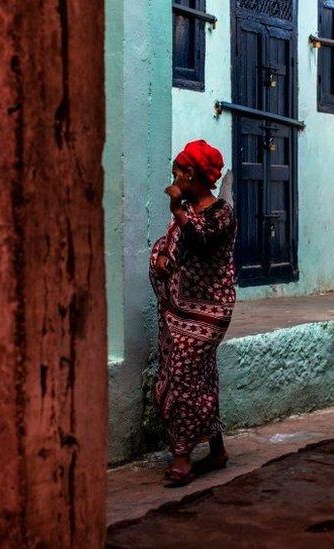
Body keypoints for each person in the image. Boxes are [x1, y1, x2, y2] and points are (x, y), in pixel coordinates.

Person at [149, 139, 237, 486]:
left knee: (183, 380)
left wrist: (177, 210)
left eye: (177, 173)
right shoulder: (186, 211)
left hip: (206, 313)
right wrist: (160, 259)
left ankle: (183, 458)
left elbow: (200, 240)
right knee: (200, 378)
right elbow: (170, 245)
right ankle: (217, 450)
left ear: (191, 174)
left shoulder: (220, 214)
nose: (173, 179)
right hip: (178, 311)